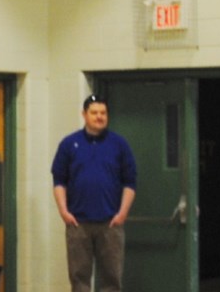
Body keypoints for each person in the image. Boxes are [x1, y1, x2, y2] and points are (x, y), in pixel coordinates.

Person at [51, 95, 137, 292]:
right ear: (84, 115)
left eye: (103, 113)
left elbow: (130, 182)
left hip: (111, 224)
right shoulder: (69, 144)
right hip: (78, 223)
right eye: (94, 113)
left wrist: (122, 213)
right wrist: (63, 211)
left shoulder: (119, 145)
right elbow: (59, 181)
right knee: (79, 279)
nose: (99, 117)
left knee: (112, 279)